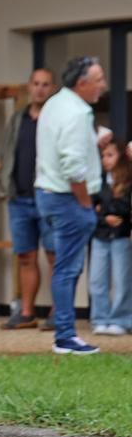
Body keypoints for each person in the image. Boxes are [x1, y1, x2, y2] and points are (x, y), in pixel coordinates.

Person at [35, 55, 107, 355]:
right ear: (83, 83)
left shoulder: (55, 103)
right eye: (99, 79)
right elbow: (74, 167)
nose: (103, 85)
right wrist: (86, 203)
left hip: (47, 194)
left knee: (63, 267)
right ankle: (65, 335)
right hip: (68, 198)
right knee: (67, 268)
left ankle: (65, 333)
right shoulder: (78, 114)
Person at [0, 68, 58, 330]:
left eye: (45, 84)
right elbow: (7, 154)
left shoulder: (56, 119)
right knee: (25, 256)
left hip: (49, 196)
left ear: (52, 88)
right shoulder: (17, 120)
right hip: (20, 198)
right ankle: (26, 312)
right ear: (29, 86)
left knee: (55, 256)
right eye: (36, 84)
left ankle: (59, 312)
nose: (40, 89)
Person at [89, 138, 132, 336]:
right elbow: (91, 206)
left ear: (121, 157)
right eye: (103, 155)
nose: (105, 159)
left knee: (122, 279)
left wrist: (105, 209)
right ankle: (100, 318)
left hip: (121, 236)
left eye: (110, 155)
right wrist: (106, 215)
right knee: (97, 279)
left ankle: (121, 319)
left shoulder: (128, 181)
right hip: (100, 235)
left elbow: (125, 207)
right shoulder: (98, 181)